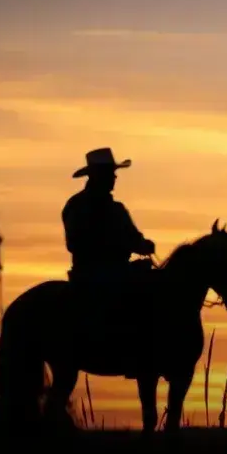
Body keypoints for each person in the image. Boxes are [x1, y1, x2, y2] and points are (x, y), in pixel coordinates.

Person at [61, 148, 156, 372]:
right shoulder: (78, 206)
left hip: (118, 269)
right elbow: (75, 243)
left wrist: (143, 244)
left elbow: (133, 237)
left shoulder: (117, 209)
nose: (115, 178)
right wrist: (122, 245)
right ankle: (130, 349)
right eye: (111, 173)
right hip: (91, 272)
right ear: (98, 176)